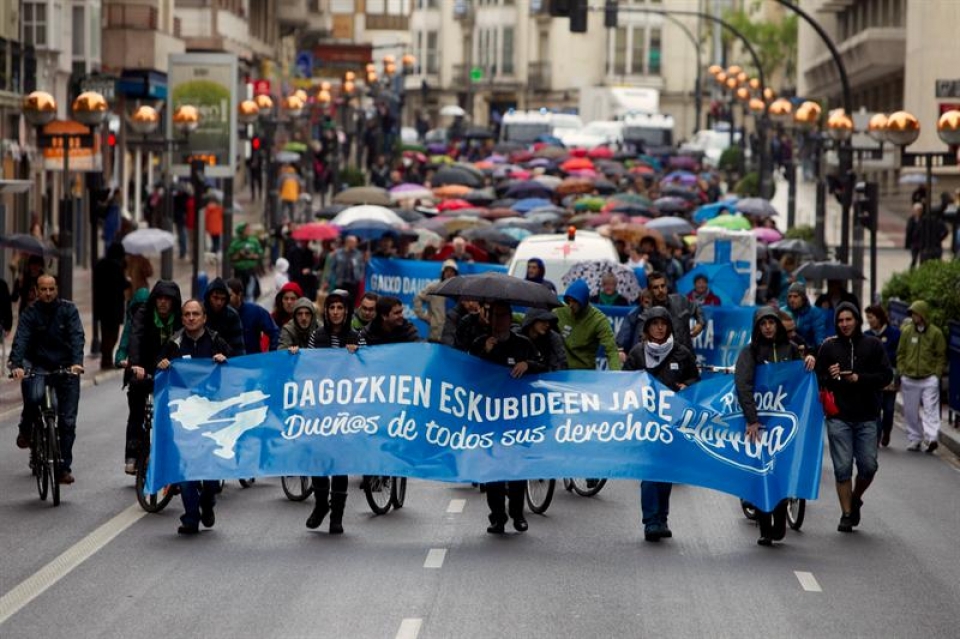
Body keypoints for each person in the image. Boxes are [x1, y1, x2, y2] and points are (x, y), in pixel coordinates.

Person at [735, 307, 816, 546]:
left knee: (779, 470)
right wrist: (752, 420)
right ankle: (764, 525)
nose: (768, 327)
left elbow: (800, 380)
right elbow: (743, 385)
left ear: (778, 325)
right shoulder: (749, 352)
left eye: (772, 322)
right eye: (763, 323)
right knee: (760, 471)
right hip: (758, 422)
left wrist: (809, 360)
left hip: (783, 422)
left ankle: (779, 518)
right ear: (757, 327)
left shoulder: (790, 350)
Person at [623, 307, 700, 542]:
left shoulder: (682, 353)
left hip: (671, 421)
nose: (659, 327)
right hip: (646, 421)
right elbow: (625, 382)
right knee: (649, 471)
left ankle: (662, 518)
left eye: (663, 323)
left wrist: (689, 386)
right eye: (654, 323)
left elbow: (695, 379)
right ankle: (650, 521)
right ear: (647, 328)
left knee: (665, 472)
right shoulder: (637, 353)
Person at [816, 302, 893, 533]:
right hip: (839, 417)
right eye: (840, 320)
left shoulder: (873, 345)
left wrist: (860, 379)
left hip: (867, 416)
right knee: (842, 468)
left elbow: (886, 375)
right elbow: (819, 379)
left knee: (868, 466)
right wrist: (830, 376)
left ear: (857, 320)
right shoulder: (829, 347)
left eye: (848, 319)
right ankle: (847, 514)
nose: (844, 324)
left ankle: (856, 498)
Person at [157, 299, 231, 534]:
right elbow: (158, 372)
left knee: (208, 471)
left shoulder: (216, 341)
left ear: (204, 317)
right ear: (182, 318)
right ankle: (190, 516)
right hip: (184, 418)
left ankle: (207, 502)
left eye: (195, 314)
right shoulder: (174, 344)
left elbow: (236, 369)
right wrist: (163, 365)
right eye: (187, 314)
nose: (191, 318)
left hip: (211, 416)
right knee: (186, 468)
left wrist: (224, 361)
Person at [468, 301, 539, 534]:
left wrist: (527, 364)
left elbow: (545, 366)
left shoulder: (523, 344)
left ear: (510, 319)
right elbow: (466, 372)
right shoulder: (480, 342)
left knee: (516, 467)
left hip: (518, 415)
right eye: (494, 316)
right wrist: (483, 353)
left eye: (502, 316)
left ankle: (517, 514)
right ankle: (497, 516)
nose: (498, 321)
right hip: (489, 414)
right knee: (493, 469)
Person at [9, 275, 85, 484]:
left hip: (66, 368)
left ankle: (63, 468)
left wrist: (77, 363)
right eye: (44, 289)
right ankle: (27, 429)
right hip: (38, 366)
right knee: (33, 398)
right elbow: (21, 338)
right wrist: (17, 365)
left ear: (57, 289)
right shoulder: (30, 313)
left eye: (52, 289)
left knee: (68, 421)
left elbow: (77, 336)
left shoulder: (68, 310)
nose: (48, 293)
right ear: (36, 290)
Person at [303, 290, 360, 534]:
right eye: (332, 308)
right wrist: (296, 355)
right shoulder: (317, 336)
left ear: (347, 311)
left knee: (339, 463)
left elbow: (368, 374)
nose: (336, 312)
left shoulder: (357, 338)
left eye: (340, 308)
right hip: (320, 409)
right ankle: (320, 504)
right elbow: (308, 369)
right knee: (318, 459)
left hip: (345, 410)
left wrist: (357, 356)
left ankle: (337, 515)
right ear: (326, 311)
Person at [126, 280, 182, 473]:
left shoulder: (180, 319)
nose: (164, 303)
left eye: (168, 299)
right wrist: (136, 365)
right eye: (160, 298)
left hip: (169, 369)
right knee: (137, 410)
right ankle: (132, 454)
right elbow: (136, 339)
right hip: (143, 367)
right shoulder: (143, 314)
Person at [896, 300, 946, 453]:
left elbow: (940, 355)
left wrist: (936, 374)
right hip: (909, 377)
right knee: (910, 410)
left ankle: (932, 437)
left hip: (929, 377)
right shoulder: (907, 331)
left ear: (923, 314)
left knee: (930, 408)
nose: (913, 316)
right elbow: (901, 352)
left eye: (916, 313)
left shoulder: (935, 333)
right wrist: (902, 370)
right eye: (912, 313)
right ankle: (915, 438)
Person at [555, 280, 621, 371]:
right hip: (560, 370)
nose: (571, 305)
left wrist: (617, 375)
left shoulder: (598, 320)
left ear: (584, 301)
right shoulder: (560, 311)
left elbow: (611, 350)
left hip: (584, 373)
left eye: (575, 301)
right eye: (568, 301)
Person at [864, 304, 901, 447]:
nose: (870, 320)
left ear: (879, 317)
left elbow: (897, 354)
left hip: (890, 375)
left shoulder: (894, 333)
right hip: (873, 376)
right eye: (867, 318)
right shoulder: (867, 334)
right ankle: (877, 437)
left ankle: (887, 431)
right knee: (876, 408)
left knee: (889, 408)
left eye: (871, 317)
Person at [93, 242, 129, 370]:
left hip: (102, 306)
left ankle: (106, 358)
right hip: (114, 306)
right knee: (113, 334)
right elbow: (123, 284)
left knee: (105, 333)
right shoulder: (117, 267)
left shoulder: (100, 265)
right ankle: (107, 359)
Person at [647, 271, 704, 352]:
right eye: (656, 287)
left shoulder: (680, 299)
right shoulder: (647, 313)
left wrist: (700, 324)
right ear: (650, 291)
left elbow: (696, 308)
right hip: (662, 358)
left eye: (663, 286)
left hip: (686, 355)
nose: (660, 290)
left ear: (666, 286)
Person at [226, 278, 279, 354]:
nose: (226, 299)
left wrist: (272, 356)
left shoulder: (255, 311)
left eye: (229, 295)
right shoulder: (221, 313)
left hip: (252, 361)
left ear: (239, 294)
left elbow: (274, 332)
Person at [413, 259, 459, 343]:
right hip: (436, 333)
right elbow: (418, 298)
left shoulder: (458, 290)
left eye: (452, 271)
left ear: (455, 274)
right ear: (443, 272)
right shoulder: (434, 288)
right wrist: (425, 317)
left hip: (453, 334)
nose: (449, 273)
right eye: (447, 270)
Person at [202, 278, 245, 355]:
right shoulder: (199, 313)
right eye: (215, 298)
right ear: (209, 297)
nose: (219, 302)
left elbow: (239, 348)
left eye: (223, 299)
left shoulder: (232, 316)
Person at [518, 308, 567, 372]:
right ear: (532, 320)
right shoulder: (517, 336)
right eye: (543, 321)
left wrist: (529, 364)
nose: (547, 325)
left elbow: (560, 364)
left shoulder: (553, 338)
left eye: (548, 322)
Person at [785, 282, 827, 352]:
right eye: (790, 296)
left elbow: (820, 336)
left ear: (803, 298)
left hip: (810, 351)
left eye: (795, 296)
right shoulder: (783, 312)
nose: (792, 300)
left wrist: (816, 352)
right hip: (788, 352)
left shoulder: (814, 312)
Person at [228, 223, 264, 302]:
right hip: (239, 272)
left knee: (253, 291)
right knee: (240, 293)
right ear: (241, 231)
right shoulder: (235, 243)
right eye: (247, 229)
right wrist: (239, 254)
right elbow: (230, 257)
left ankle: (250, 306)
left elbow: (260, 253)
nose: (249, 230)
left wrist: (252, 256)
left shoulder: (253, 241)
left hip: (251, 271)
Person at [615, 288, 653, 364]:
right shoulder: (633, 315)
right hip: (636, 357)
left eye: (650, 300)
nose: (648, 304)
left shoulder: (663, 314)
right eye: (645, 301)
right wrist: (620, 351)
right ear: (641, 301)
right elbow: (623, 337)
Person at [323, 235, 365, 303]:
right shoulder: (338, 253)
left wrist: (360, 277)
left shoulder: (358, 254)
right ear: (347, 242)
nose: (354, 244)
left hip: (353, 283)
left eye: (355, 243)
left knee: (350, 302)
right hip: (340, 282)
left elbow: (362, 268)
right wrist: (327, 281)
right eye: (352, 242)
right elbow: (332, 269)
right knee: (339, 301)